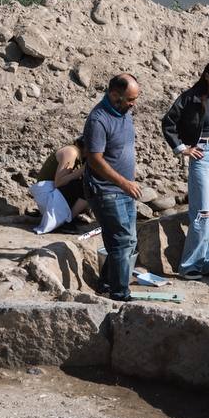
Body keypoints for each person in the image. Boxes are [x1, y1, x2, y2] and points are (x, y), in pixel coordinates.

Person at [162, 58, 209, 280]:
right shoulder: (190, 97)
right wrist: (182, 149)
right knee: (202, 210)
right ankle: (191, 264)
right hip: (201, 153)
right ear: (207, 77)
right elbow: (168, 123)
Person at [84, 74, 142, 301]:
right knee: (120, 240)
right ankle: (120, 294)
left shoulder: (124, 112)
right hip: (106, 190)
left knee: (129, 240)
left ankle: (107, 284)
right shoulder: (98, 120)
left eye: (135, 99)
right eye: (129, 99)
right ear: (114, 95)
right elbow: (95, 159)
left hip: (124, 189)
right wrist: (123, 182)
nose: (133, 104)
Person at [30, 138, 88, 235]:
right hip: (48, 195)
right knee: (88, 186)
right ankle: (66, 221)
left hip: (54, 195)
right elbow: (58, 182)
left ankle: (68, 217)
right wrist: (82, 170)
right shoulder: (72, 151)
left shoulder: (79, 156)